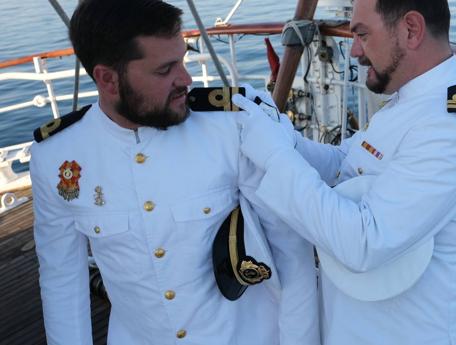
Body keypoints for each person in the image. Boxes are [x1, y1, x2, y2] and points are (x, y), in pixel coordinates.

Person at [29, 0, 318, 344]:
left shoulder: (230, 128)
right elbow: (62, 279)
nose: (186, 79)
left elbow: (292, 255)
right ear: (107, 79)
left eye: (181, 59)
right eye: (164, 70)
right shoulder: (57, 157)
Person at [230, 0, 456, 344]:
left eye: (363, 34)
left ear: (411, 30)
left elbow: (365, 243)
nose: (355, 50)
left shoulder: (448, 127)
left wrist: (276, 156)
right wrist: (284, 137)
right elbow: (347, 164)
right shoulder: (413, 98)